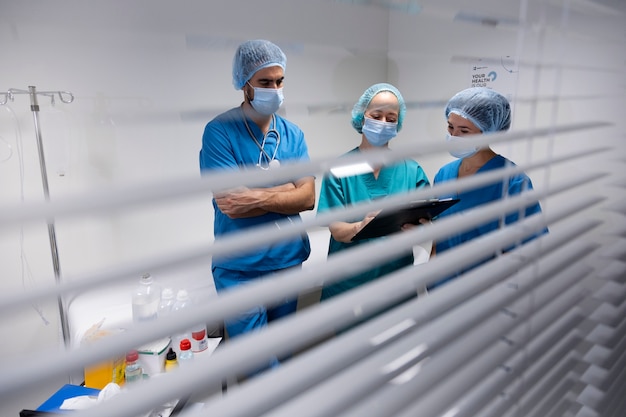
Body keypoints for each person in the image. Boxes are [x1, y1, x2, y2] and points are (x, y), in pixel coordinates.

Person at [198, 40, 315, 353]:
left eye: (279, 81)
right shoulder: (219, 132)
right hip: (241, 270)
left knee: (281, 350)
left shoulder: (293, 134)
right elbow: (231, 204)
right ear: (244, 84)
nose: (274, 89)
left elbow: (307, 198)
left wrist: (259, 195)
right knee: (256, 360)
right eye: (265, 82)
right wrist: (286, 190)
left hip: (287, 261)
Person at [317, 83, 430, 302]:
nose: (383, 123)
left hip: (396, 281)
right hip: (350, 284)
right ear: (362, 117)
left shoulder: (411, 170)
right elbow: (337, 229)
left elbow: (425, 219)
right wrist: (361, 226)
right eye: (376, 116)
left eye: (391, 118)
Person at [431, 86, 547, 287]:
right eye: (450, 127)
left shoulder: (512, 181)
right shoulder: (444, 174)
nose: (454, 136)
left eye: (464, 131)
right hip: (442, 287)